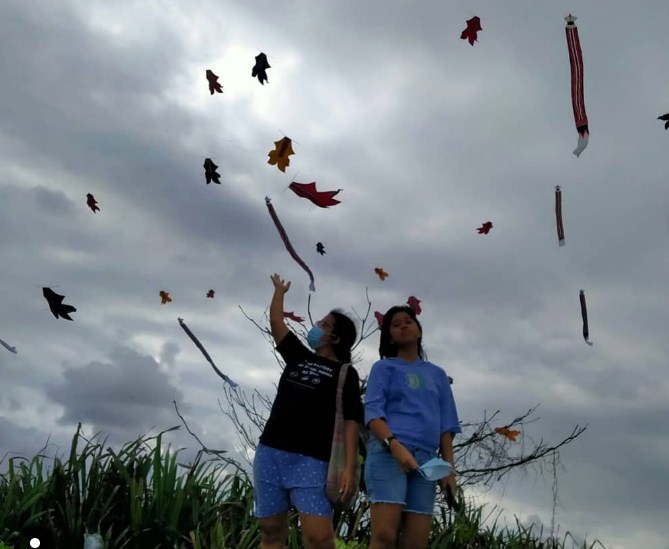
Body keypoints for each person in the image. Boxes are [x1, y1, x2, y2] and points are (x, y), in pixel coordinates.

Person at [253, 273, 364, 549]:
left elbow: (352, 421)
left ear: (336, 338)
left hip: (312, 460)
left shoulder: (345, 373)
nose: (316, 327)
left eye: (324, 325)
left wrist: (350, 467)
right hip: (270, 452)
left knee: (319, 537)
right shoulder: (298, 355)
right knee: (271, 530)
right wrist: (280, 292)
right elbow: (276, 323)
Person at [364, 305, 461, 549]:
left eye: (408, 321)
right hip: (388, 454)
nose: (403, 326)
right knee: (384, 536)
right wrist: (394, 446)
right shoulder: (383, 368)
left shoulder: (437, 375)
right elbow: (373, 414)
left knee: (416, 541)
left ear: (419, 330)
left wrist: (449, 469)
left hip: (427, 461)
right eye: (395, 325)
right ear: (390, 336)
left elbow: (446, 425)